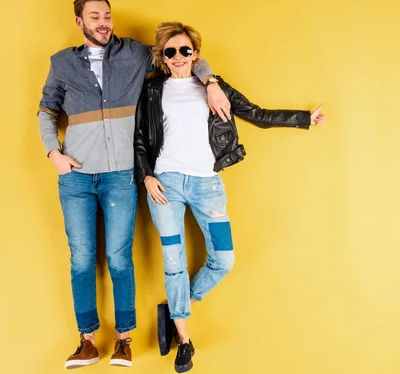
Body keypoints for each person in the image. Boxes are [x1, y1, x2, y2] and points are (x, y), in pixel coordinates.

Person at [37, 0, 230, 369]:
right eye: (94, 17)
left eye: (106, 15)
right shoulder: (61, 63)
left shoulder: (136, 54)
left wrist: (210, 82)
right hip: (75, 177)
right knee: (81, 260)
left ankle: (123, 340)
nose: (103, 22)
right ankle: (87, 340)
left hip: (121, 177)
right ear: (79, 22)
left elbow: (184, 56)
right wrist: (52, 153)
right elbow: (46, 111)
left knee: (119, 259)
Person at [134, 21, 326, 373]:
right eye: (170, 52)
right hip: (166, 185)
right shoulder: (151, 90)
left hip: (207, 184)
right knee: (174, 261)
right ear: (162, 56)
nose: (178, 57)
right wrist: (146, 175)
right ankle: (184, 339)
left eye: (185, 50)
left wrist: (305, 119)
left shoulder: (213, 86)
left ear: (196, 53)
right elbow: (141, 138)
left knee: (224, 259)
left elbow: (256, 114)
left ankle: (178, 306)